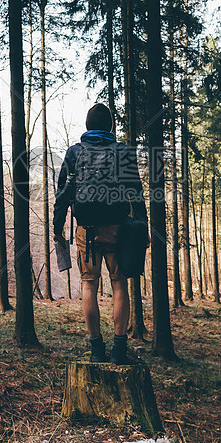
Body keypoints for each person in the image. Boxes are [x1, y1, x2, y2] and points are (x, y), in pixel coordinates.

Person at [53, 103, 148, 364]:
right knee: (120, 285)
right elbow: (136, 192)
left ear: (87, 126)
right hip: (119, 230)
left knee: (89, 285)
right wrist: (143, 227)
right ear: (109, 127)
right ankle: (118, 350)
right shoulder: (122, 152)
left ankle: (96, 349)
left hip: (86, 230)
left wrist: (57, 226)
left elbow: (64, 194)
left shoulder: (74, 153)